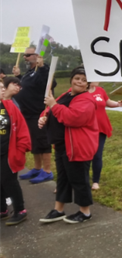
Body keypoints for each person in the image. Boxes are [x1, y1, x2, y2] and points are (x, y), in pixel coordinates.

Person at [38, 67, 99, 226]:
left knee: (79, 179)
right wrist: (43, 118)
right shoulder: (67, 94)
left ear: (88, 84)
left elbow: (74, 118)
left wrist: (53, 105)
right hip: (61, 145)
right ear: (72, 79)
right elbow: (50, 110)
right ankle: (59, 209)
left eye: (84, 80)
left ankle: (85, 212)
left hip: (77, 146)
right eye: (77, 78)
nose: (79, 81)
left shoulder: (86, 100)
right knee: (63, 179)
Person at [13, 47, 56, 184]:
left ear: (36, 55)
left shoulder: (43, 70)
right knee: (34, 142)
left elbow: (48, 83)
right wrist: (19, 76)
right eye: (24, 55)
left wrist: (42, 66)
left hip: (39, 112)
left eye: (28, 55)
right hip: (27, 113)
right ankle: (37, 168)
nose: (25, 57)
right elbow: (27, 86)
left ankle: (47, 171)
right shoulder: (31, 71)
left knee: (43, 141)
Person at [0, 84, 32, 226]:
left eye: (2, 87)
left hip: (8, 153)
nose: (2, 89)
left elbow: (22, 128)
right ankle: (2, 210)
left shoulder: (10, 107)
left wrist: (21, 149)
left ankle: (20, 210)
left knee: (9, 181)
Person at [87, 82, 122, 191]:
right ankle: (82, 178)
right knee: (86, 155)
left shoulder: (100, 90)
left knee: (97, 155)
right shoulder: (80, 91)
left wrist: (117, 104)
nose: (98, 80)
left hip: (101, 128)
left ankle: (95, 181)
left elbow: (107, 102)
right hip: (86, 128)